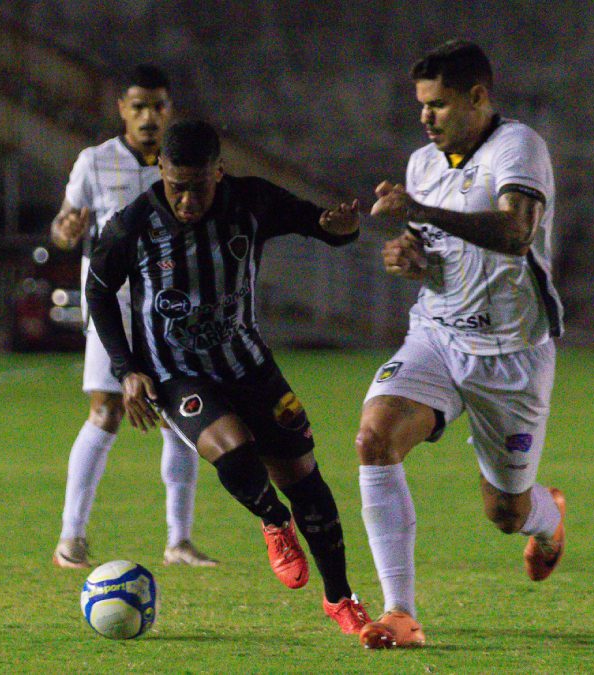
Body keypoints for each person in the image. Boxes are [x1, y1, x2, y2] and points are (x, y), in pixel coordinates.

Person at [85, 119, 371, 634]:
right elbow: (99, 292)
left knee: (307, 485)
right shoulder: (132, 225)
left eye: (199, 187)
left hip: (249, 365)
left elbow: (318, 225)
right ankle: (272, 520)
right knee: (235, 451)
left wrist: (342, 228)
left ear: (220, 171)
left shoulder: (250, 201)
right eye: (177, 187)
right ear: (161, 171)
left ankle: (340, 599)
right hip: (176, 373)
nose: (188, 200)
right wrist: (128, 371)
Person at [354, 40, 567, 649]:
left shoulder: (517, 147)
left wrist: (418, 211)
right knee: (374, 438)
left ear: (477, 97)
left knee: (506, 513)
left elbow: (515, 233)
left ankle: (547, 520)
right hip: (438, 336)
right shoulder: (424, 162)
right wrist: (410, 255)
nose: (426, 117)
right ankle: (400, 613)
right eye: (422, 105)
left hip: (512, 353)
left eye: (439, 105)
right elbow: (436, 249)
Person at [49, 65, 218, 569]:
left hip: (171, 307)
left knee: (181, 417)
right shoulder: (95, 161)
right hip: (114, 306)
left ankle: (179, 540)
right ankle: (70, 538)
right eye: (138, 106)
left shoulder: (182, 165)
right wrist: (67, 229)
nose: (148, 116)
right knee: (106, 408)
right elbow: (63, 226)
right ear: (121, 108)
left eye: (158, 106)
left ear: (170, 110)